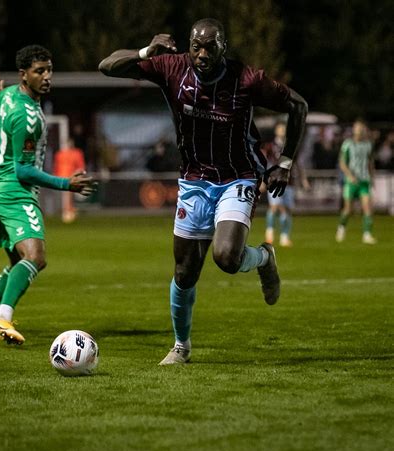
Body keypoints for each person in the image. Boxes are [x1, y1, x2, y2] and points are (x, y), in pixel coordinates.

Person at [99, 18, 308, 365]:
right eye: (196, 46)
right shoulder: (172, 67)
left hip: (238, 177)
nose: (202, 53)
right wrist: (144, 51)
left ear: (223, 47)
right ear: (189, 46)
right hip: (194, 181)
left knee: (226, 257)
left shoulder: (246, 79)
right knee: (184, 272)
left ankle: (264, 259)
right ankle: (181, 346)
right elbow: (107, 67)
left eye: (210, 46)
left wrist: (285, 161)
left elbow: (297, 106)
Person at [0, 45, 95, 344]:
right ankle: (3, 318)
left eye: (49, 69)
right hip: (16, 192)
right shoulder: (29, 117)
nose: (47, 76)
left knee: (18, 264)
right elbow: (24, 171)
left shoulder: (8, 95)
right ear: (24, 74)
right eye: (40, 71)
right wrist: (67, 184)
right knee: (36, 257)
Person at [262, 122, 310, 247]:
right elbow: (263, 163)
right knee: (276, 207)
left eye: (284, 128)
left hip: (289, 182)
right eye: (280, 128)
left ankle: (284, 237)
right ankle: (270, 232)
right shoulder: (270, 146)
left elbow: (298, 164)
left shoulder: (291, 147)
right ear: (276, 131)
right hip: (274, 182)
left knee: (288, 210)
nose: (283, 130)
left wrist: (304, 179)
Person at [336, 120, 376, 244]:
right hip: (351, 182)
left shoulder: (368, 144)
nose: (359, 131)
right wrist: (349, 175)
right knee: (348, 209)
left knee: (367, 208)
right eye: (357, 128)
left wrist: (372, 177)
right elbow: (342, 162)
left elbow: (370, 162)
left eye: (361, 128)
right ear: (354, 130)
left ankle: (367, 234)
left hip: (364, 181)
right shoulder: (348, 144)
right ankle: (341, 227)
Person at [53, 138, 86, 223]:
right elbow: (56, 166)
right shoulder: (60, 154)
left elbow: (80, 166)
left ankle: (68, 211)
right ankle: (66, 211)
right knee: (66, 195)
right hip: (63, 177)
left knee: (68, 195)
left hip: (69, 177)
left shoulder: (76, 153)